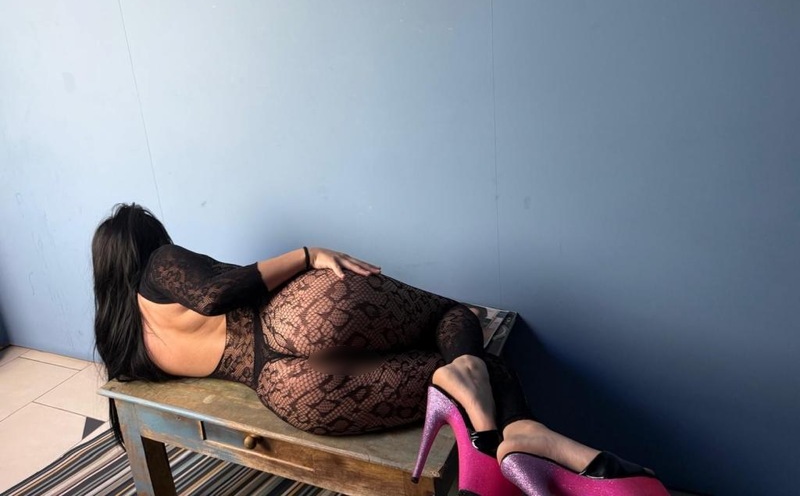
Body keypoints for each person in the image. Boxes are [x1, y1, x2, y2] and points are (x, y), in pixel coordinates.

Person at [93, 203, 668, 496]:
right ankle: (512, 425)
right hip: (298, 317)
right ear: (146, 247)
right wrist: (307, 253)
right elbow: (217, 292)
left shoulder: (138, 349)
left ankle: (499, 432)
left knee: (455, 360)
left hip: (293, 394)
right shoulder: (159, 266)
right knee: (456, 318)